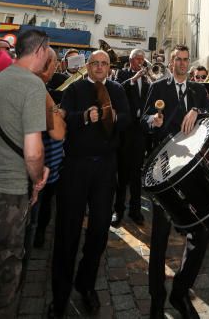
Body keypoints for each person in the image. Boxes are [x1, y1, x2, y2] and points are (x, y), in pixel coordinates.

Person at [48, 50, 130, 318]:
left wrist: (114, 118)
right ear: (88, 66)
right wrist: (84, 116)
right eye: (94, 63)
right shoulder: (75, 88)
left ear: (109, 67)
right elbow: (63, 117)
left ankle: (86, 284)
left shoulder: (117, 90)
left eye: (104, 63)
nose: (99, 67)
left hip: (106, 170)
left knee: (98, 233)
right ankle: (59, 296)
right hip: (75, 167)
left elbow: (128, 120)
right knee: (67, 232)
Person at [141, 44, 209, 319]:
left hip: (192, 172)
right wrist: (153, 122)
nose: (182, 64)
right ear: (171, 63)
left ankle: (180, 292)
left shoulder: (198, 91)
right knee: (159, 238)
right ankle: (156, 301)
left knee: (201, 233)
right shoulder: (158, 87)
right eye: (178, 60)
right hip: (164, 167)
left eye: (186, 60)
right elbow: (143, 119)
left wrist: (197, 111)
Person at [0, 29, 50, 318]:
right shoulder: (33, 86)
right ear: (40, 49)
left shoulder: (0, 77)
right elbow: (33, 152)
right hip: (11, 191)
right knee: (7, 269)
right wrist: (37, 177)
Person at [112, 48, 151, 227]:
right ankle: (117, 210)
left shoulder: (147, 79)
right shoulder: (122, 74)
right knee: (122, 174)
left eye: (143, 60)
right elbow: (118, 90)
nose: (141, 63)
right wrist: (133, 79)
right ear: (130, 60)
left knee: (137, 175)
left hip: (140, 132)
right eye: (137, 59)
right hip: (125, 132)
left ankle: (135, 211)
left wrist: (148, 79)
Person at [33, 48, 66, 248]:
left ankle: (39, 232)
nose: (56, 67)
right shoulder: (38, 89)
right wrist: (57, 112)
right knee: (39, 205)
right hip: (39, 163)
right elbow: (58, 131)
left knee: (44, 205)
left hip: (48, 163)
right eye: (54, 63)